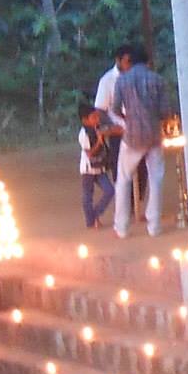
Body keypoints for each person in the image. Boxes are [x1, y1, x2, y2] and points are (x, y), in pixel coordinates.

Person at [110, 45, 172, 238]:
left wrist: (128, 119)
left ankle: (121, 227)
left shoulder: (122, 81)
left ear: (131, 62)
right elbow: (165, 112)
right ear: (148, 62)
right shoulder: (158, 79)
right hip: (154, 135)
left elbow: (115, 108)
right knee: (156, 178)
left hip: (132, 136)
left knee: (123, 179)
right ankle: (154, 225)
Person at [78, 102, 119, 230]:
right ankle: (91, 221)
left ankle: (94, 215)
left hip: (99, 167)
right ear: (85, 120)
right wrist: (99, 142)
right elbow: (89, 153)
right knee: (87, 196)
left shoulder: (97, 128)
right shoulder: (83, 134)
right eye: (94, 117)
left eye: (97, 117)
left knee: (110, 191)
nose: (97, 119)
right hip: (88, 169)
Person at [93, 44, 134, 117]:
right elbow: (100, 109)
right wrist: (112, 126)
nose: (130, 65)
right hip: (119, 125)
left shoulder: (135, 77)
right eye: (127, 61)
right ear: (118, 60)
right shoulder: (107, 80)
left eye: (132, 62)